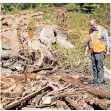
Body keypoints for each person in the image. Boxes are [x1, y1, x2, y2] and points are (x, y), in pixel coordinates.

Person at [84, 19, 110, 86]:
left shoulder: (102, 30)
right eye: (90, 25)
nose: (91, 26)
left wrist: (108, 51)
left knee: (99, 67)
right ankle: (95, 80)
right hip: (93, 51)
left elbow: (107, 41)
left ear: (96, 23)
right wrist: (86, 51)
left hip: (100, 51)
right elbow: (89, 41)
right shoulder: (90, 31)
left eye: (92, 25)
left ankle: (101, 82)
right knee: (94, 66)